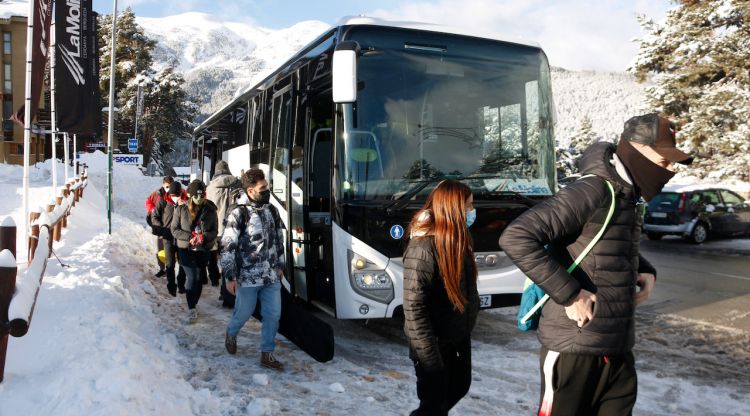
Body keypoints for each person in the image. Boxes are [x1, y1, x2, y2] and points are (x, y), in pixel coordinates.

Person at [499, 113, 693, 416]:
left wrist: (645, 269)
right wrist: (571, 294)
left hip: (616, 347)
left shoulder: (628, 194)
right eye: (664, 161)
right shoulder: (592, 189)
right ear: (636, 150)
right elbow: (517, 237)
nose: (669, 170)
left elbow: (606, 243)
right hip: (573, 346)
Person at [402, 179, 479, 416]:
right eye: (468, 206)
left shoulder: (459, 238)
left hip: (457, 335)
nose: (472, 212)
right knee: (433, 406)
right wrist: (430, 359)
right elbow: (414, 308)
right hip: (432, 343)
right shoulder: (423, 246)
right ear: (453, 208)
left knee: (458, 387)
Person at [221, 168, 286, 371]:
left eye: (267, 186)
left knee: (273, 315)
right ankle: (231, 332)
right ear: (250, 191)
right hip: (248, 277)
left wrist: (280, 265)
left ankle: (267, 353)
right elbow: (227, 245)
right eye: (263, 188)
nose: (267, 190)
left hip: (271, 276)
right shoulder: (239, 213)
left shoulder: (272, 210)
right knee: (243, 313)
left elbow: (279, 240)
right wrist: (230, 276)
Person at [171, 180, 218, 324]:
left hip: (203, 249)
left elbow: (215, 231)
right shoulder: (181, 210)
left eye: (202, 193)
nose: (199, 196)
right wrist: (190, 237)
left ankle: (194, 304)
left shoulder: (210, 209)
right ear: (190, 195)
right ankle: (191, 307)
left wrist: (204, 237)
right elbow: (174, 230)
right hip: (186, 249)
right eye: (196, 194)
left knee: (199, 278)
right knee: (192, 277)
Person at [206, 160, 242, 296]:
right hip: (228, 228)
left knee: (213, 255)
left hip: (214, 228)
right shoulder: (231, 182)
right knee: (228, 260)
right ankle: (225, 292)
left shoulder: (210, 187)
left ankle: (214, 278)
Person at [151, 181, 187, 296]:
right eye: (172, 196)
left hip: (182, 239)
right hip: (168, 238)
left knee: (183, 263)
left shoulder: (186, 202)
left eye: (176, 195)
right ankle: (171, 286)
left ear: (180, 193)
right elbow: (155, 216)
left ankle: (181, 285)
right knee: (170, 264)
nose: (174, 198)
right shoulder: (163, 201)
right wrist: (162, 230)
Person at [145, 176, 174, 277]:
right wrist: (153, 209)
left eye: (170, 186)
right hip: (161, 225)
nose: (168, 189)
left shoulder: (178, 192)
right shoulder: (157, 194)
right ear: (163, 185)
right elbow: (148, 201)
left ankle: (174, 268)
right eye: (167, 186)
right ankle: (162, 268)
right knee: (161, 248)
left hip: (174, 225)